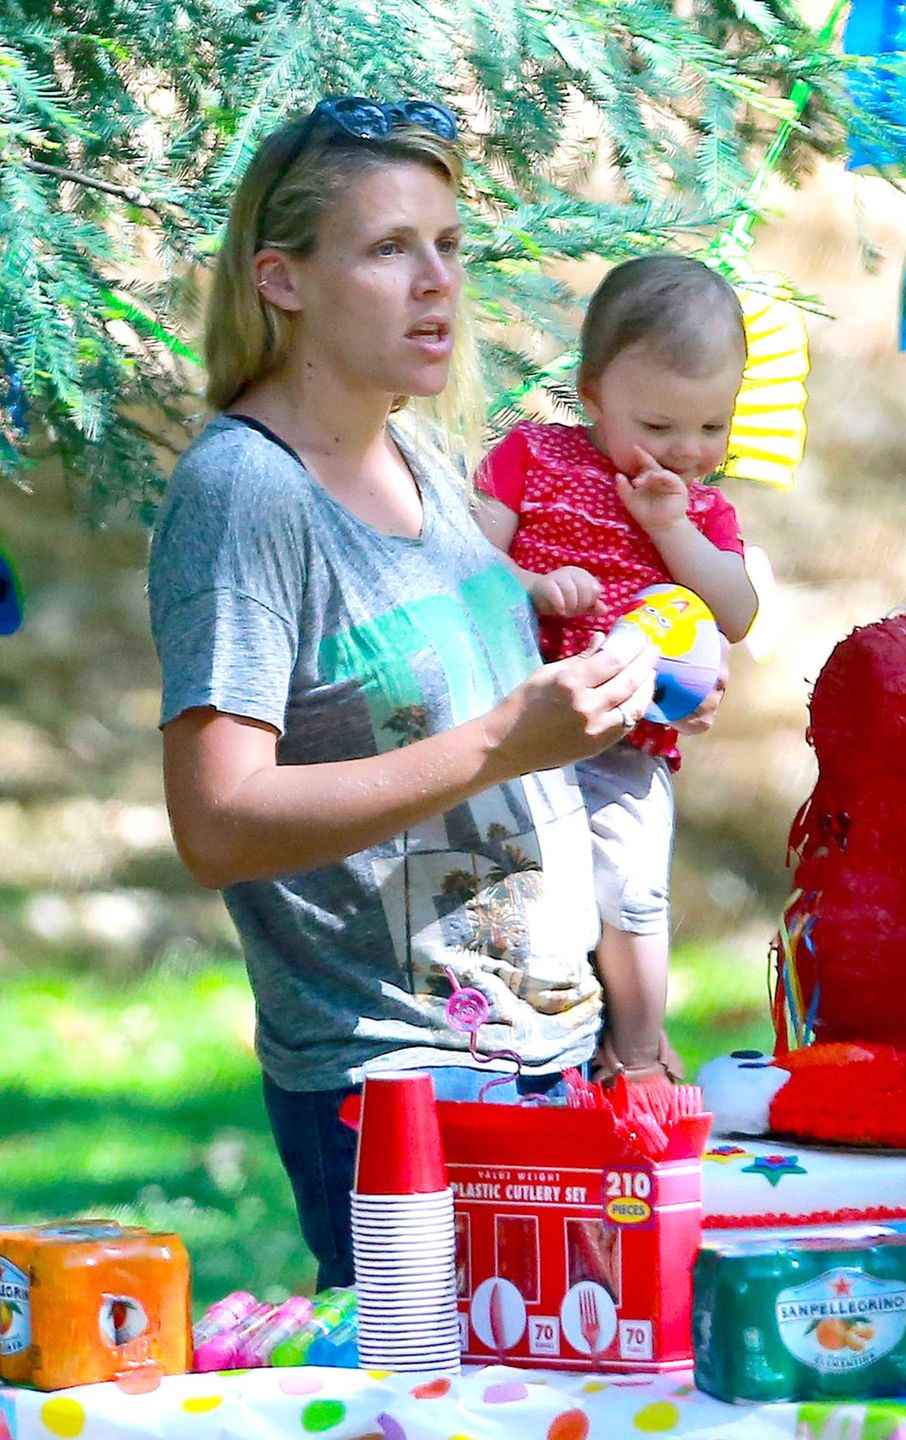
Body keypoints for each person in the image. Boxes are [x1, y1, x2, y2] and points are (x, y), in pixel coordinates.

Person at [147, 95, 657, 1288]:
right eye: (388, 250)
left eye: (448, 246)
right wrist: (500, 742)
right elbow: (216, 823)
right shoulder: (245, 496)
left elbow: (460, 711)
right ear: (281, 280)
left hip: (547, 1051)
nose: (437, 283)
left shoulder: (408, 448)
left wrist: (611, 686)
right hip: (398, 1094)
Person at [475, 253, 758, 1084]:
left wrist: (673, 530)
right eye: (661, 425)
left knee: (632, 894)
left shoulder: (703, 508)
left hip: (628, 744)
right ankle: (526, 1053)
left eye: (713, 427)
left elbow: (736, 613)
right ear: (593, 392)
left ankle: (636, 1049)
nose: (687, 450)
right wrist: (531, 585)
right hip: (517, 728)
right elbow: (464, 566)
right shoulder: (529, 456)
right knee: (529, 905)